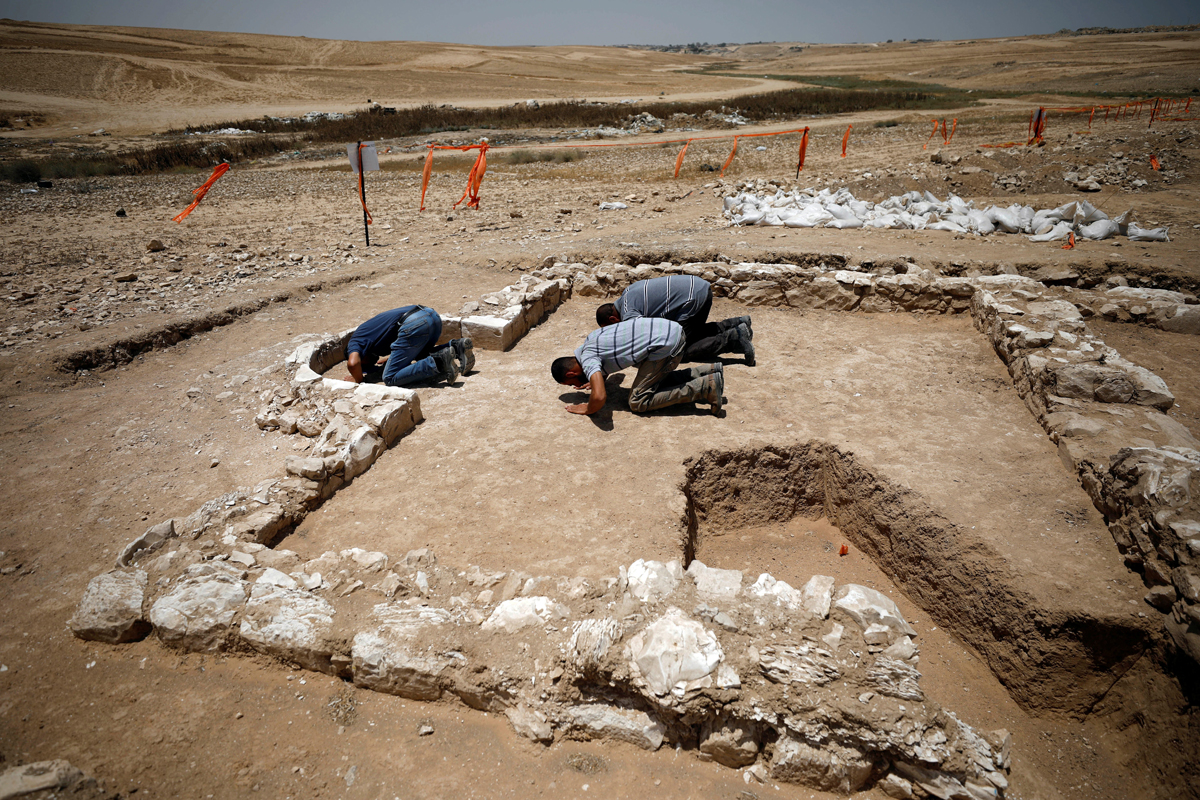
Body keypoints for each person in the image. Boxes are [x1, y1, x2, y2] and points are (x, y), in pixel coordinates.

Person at [551, 317, 723, 416]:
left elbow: (599, 397)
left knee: (638, 401)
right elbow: (617, 374)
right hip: (670, 329)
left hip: (668, 345)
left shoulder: (588, 361)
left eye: (572, 383)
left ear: (571, 373)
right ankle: (708, 372)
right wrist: (598, 378)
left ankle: (705, 387)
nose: (576, 386)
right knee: (651, 380)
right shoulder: (591, 340)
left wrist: (587, 408)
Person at [595, 275, 755, 365]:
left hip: (692, 300)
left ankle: (735, 340)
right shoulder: (627, 294)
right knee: (692, 333)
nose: (614, 330)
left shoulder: (629, 313)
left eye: (611, 327)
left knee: (679, 350)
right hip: (699, 288)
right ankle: (738, 324)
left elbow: (641, 337)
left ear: (613, 318)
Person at [343, 305, 474, 387]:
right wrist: (391, 358)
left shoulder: (355, 342)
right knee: (421, 355)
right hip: (431, 316)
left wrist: (358, 380)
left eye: (364, 365)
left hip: (414, 323)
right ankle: (457, 347)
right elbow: (404, 347)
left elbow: (353, 363)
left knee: (389, 378)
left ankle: (439, 361)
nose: (369, 365)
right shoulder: (370, 338)